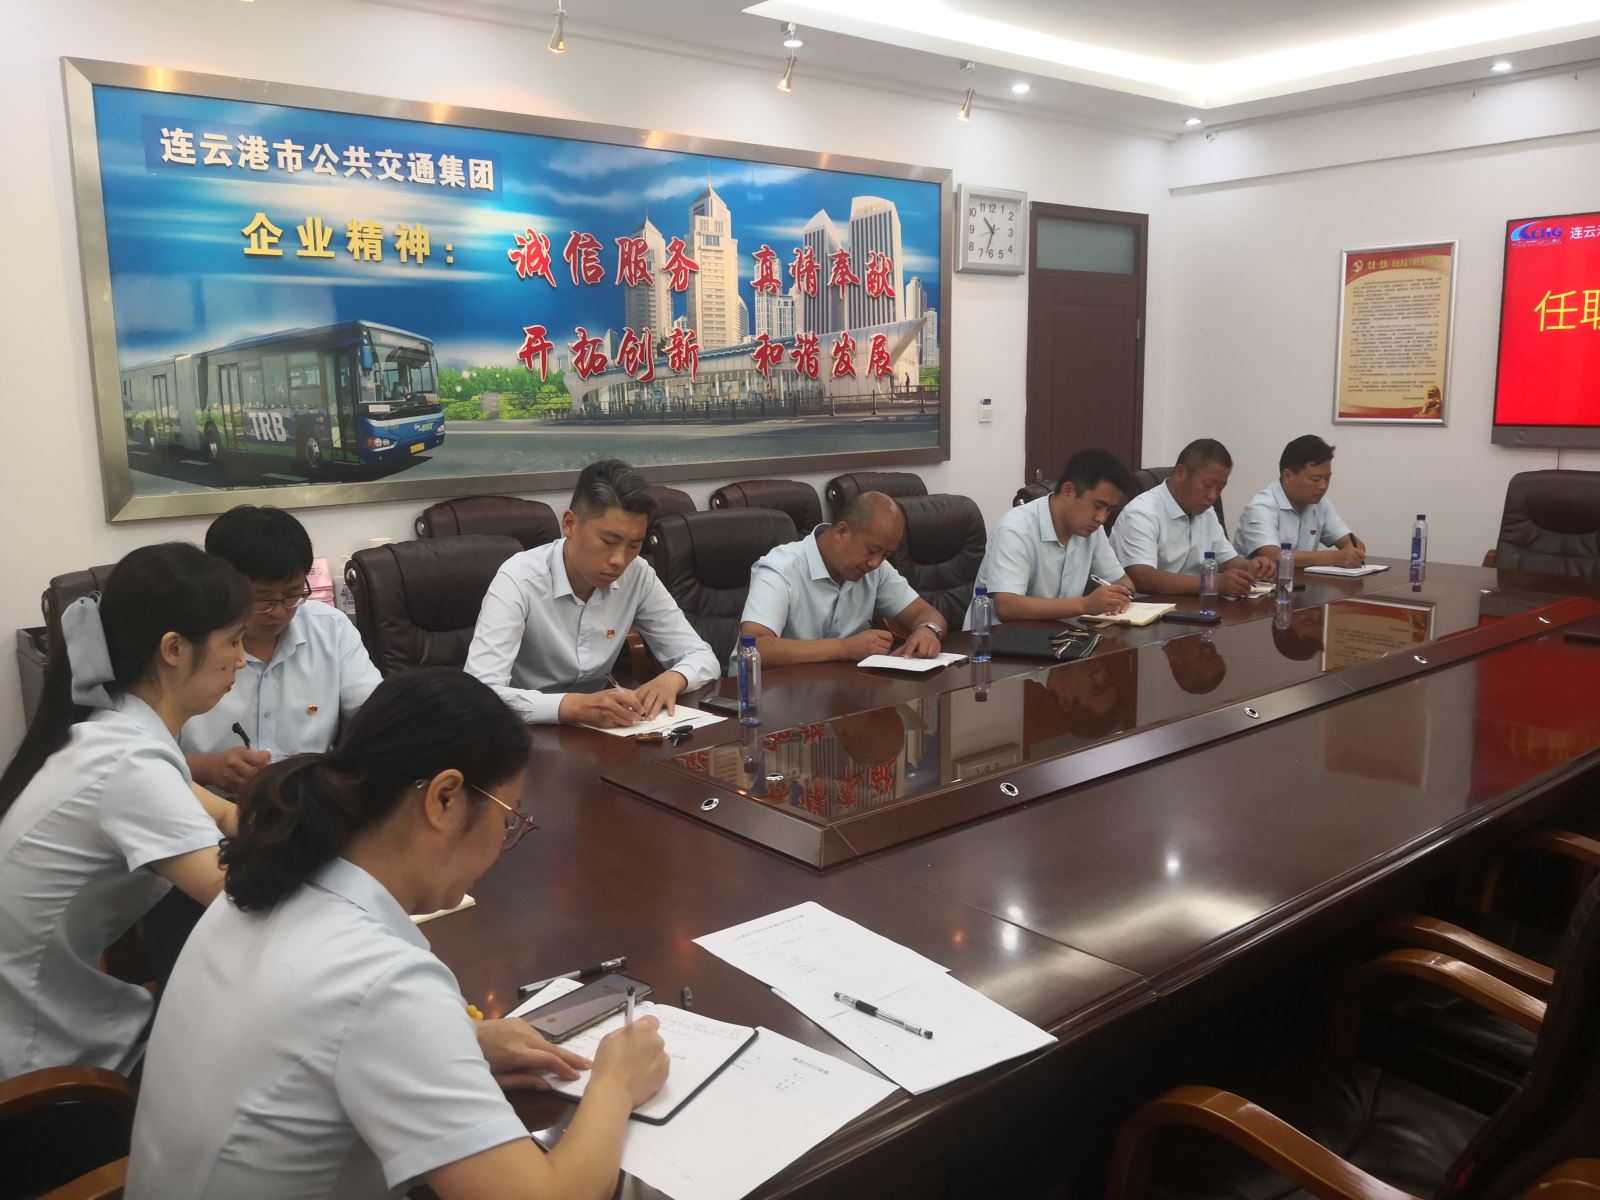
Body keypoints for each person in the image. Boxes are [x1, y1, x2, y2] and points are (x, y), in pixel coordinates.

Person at [126, 670, 669, 1200]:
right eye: (508, 818)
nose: (504, 839)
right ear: (445, 798)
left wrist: (461, 1042)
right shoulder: (383, 982)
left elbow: (314, 1045)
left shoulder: (263, 885)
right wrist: (615, 1084)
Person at [0, 543, 247, 1079]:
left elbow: (229, 817)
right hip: (45, 1070)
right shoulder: (127, 762)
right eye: (233, 639)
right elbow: (241, 896)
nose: (243, 658)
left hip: (64, 1017)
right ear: (174, 649)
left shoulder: (112, 732)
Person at [465, 460, 719, 728]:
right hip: (526, 730)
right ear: (570, 524)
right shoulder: (518, 579)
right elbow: (479, 695)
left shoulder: (637, 574)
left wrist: (674, 678)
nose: (619, 560)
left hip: (603, 730)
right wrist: (572, 706)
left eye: (634, 545)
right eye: (609, 541)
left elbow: (702, 656)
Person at [182, 505, 382, 793]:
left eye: (292, 594)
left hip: (311, 802)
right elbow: (133, 757)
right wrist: (207, 768)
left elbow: (377, 718)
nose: (278, 612)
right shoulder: (185, 643)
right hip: (205, 806)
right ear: (220, 584)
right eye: (262, 598)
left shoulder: (330, 629)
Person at [737, 492, 950, 667]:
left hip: (843, 693)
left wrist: (928, 630)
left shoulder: (875, 570)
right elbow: (754, 647)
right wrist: (845, 647)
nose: (875, 563)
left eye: (885, 555)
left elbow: (927, 614)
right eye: (872, 550)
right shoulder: (781, 569)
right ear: (842, 532)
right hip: (770, 697)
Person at [965, 449, 1137, 628]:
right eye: (1098, 506)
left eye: (1109, 510)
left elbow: (1122, 581)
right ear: (1068, 492)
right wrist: (1085, 605)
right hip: (994, 640)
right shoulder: (1015, 529)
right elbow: (1007, 607)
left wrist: (1121, 594)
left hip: (1059, 636)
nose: (1101, 518)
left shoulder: (1092, 529)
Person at [1108, 439, 1274, 596]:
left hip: (1193, 607)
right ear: (1181, 473)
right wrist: (1210, 583)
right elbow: (1142, 577)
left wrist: (1251, 567)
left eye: (1220, 489)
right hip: (1148, 608)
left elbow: (1226, 561)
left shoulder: (1206, 512)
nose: (1213, 496)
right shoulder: (1142, 512)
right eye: (1208, 485)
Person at [1233, 435, 1367, 568]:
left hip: (1301, 580)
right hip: (1259, 581)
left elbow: (1355, 544)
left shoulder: (1321, 504)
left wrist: (1352, 553)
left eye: (1327, 478)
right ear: (1288, 476)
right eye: (1315, 479)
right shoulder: (1261, 507)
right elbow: (1273, 556)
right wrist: (1334, 557)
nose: (1323, 486)